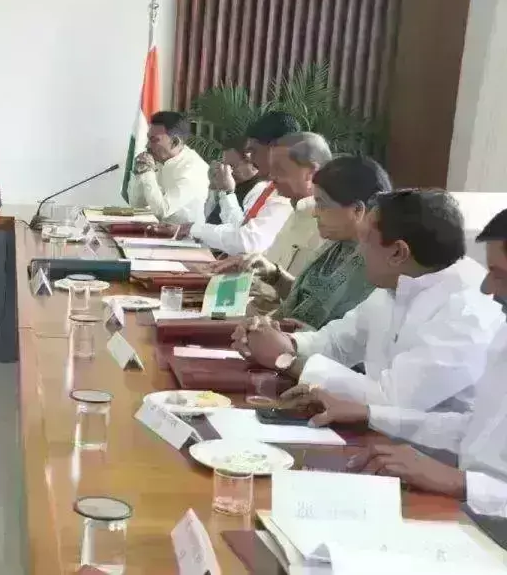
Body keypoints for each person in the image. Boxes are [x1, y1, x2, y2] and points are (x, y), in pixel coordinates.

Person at [276, 209, 507, 515]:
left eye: (500, 274)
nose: (487, 288)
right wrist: (369, 414)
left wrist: (460, 482)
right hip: (463, 500)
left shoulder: (469, 311)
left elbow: (395, 396)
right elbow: (474, 428)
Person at [234, 189, 503, 413]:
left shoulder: (467, 310)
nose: (358, 252)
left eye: (365, 241)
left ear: (398, 252)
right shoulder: (397, 284)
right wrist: (279, 340)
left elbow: (391, 400)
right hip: (374, 434)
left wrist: (286, 359)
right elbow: (337, 341)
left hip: (426, 454)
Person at [260, 156, 391, 330]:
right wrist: (274, 274)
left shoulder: (377, 272)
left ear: (357, 210)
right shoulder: (336, 246)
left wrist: (302, 337)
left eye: (322, 204)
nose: (315, 213)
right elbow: (308, 300)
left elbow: (352, 339)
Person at [204, 132, 332, 283]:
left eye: (280, 170)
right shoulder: (294, 209)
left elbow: (302, 292)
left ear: (310, 173)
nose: (272, 176)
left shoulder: (330, 224)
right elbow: (268, 268)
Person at [185, 112, 297, 255]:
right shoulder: (266, 189)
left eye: (253, 150)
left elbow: (247, 242)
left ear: (274, 149)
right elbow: (238, 229)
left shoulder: (286, 193)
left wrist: (196, 229)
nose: (251, 158)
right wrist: (223, 191)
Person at [126, 111, 209, 224]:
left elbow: (162, 211)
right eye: (148, 139)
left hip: (186, 234)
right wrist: (139, 174)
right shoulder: (161, 160)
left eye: (154, 140)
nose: (147, 146)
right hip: (157, 230)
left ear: (175, 142)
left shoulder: (193, 170)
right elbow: (137, 205)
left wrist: (147, 172)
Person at [203, 138, 263, 226]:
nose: (227, 171)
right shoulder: (237, 183)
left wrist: (228, 192)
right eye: (224, 165)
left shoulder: (260, 190)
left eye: (231, 166)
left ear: (252, 164)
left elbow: (237, 229)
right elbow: (210, 219)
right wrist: (214, 187)